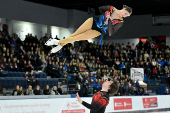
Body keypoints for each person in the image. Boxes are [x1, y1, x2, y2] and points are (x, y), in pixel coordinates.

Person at [45, 5, 132, 53]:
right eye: (125, 13)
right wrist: (105, 14)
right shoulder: (112, 8)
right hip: (93, 21)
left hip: (98, 31)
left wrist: (109, 20)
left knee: (77, 38)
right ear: (124, 8)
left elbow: (110, 33)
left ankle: (56, 42)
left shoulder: (120, 21)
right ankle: (59, 45)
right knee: (74, 35)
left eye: (126, 16)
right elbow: (100, 9)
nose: (124, 16)